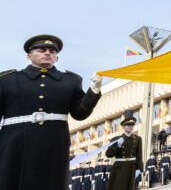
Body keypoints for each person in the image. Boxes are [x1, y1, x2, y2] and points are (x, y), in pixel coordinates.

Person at [0, 35, 102, 190]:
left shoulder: (70, 81)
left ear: (57, 58)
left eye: (52, 51)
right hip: (15, 144)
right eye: (41, 50)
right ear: (29, 55)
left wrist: (93, 92)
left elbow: (79, 113)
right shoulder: (8, 80)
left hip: (53, 144)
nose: (47, 53)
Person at [105, 110, 143, 190]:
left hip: (131, 167)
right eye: (128, 125)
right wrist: (118, 146)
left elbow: (139, 155)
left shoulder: (137, 139)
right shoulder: (116, 139)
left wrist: (139, 168)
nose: (130, 126)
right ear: (123, 127)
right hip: (119, 168)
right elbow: (108, 154)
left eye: (132, 124)